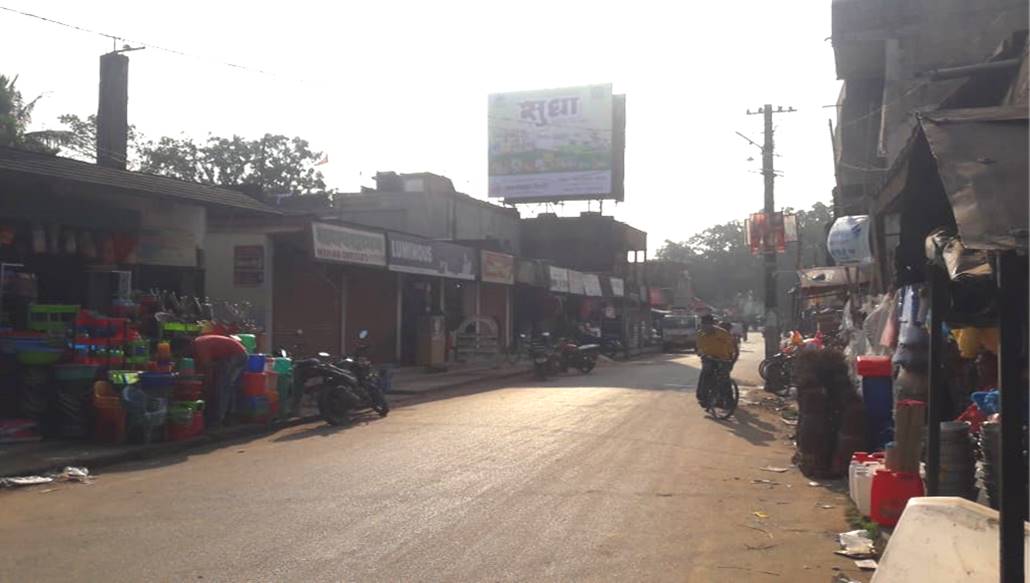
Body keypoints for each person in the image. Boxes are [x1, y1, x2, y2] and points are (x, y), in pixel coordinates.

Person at [192, 334, 248, 427]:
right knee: (227, 386)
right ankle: (228, 414)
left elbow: (208, 368)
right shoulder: (198, 344)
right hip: (228, 356)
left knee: (223, 386)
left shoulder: (200, 346)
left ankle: (219, 418)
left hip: (237, 355)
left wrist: (207, 385)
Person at [696, 314, 738, 407]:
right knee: (706, 373)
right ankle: (703, 398)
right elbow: (699, 347)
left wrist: (730, 360)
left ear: (712, 324)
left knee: (725, 379)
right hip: (708, 358)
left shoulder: (723, 333)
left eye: (707, 325)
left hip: (723, 358)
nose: (705, 328)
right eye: (703, 325)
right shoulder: (700, 334)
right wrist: (701, 354)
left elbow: (731, 348)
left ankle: (728, 401)